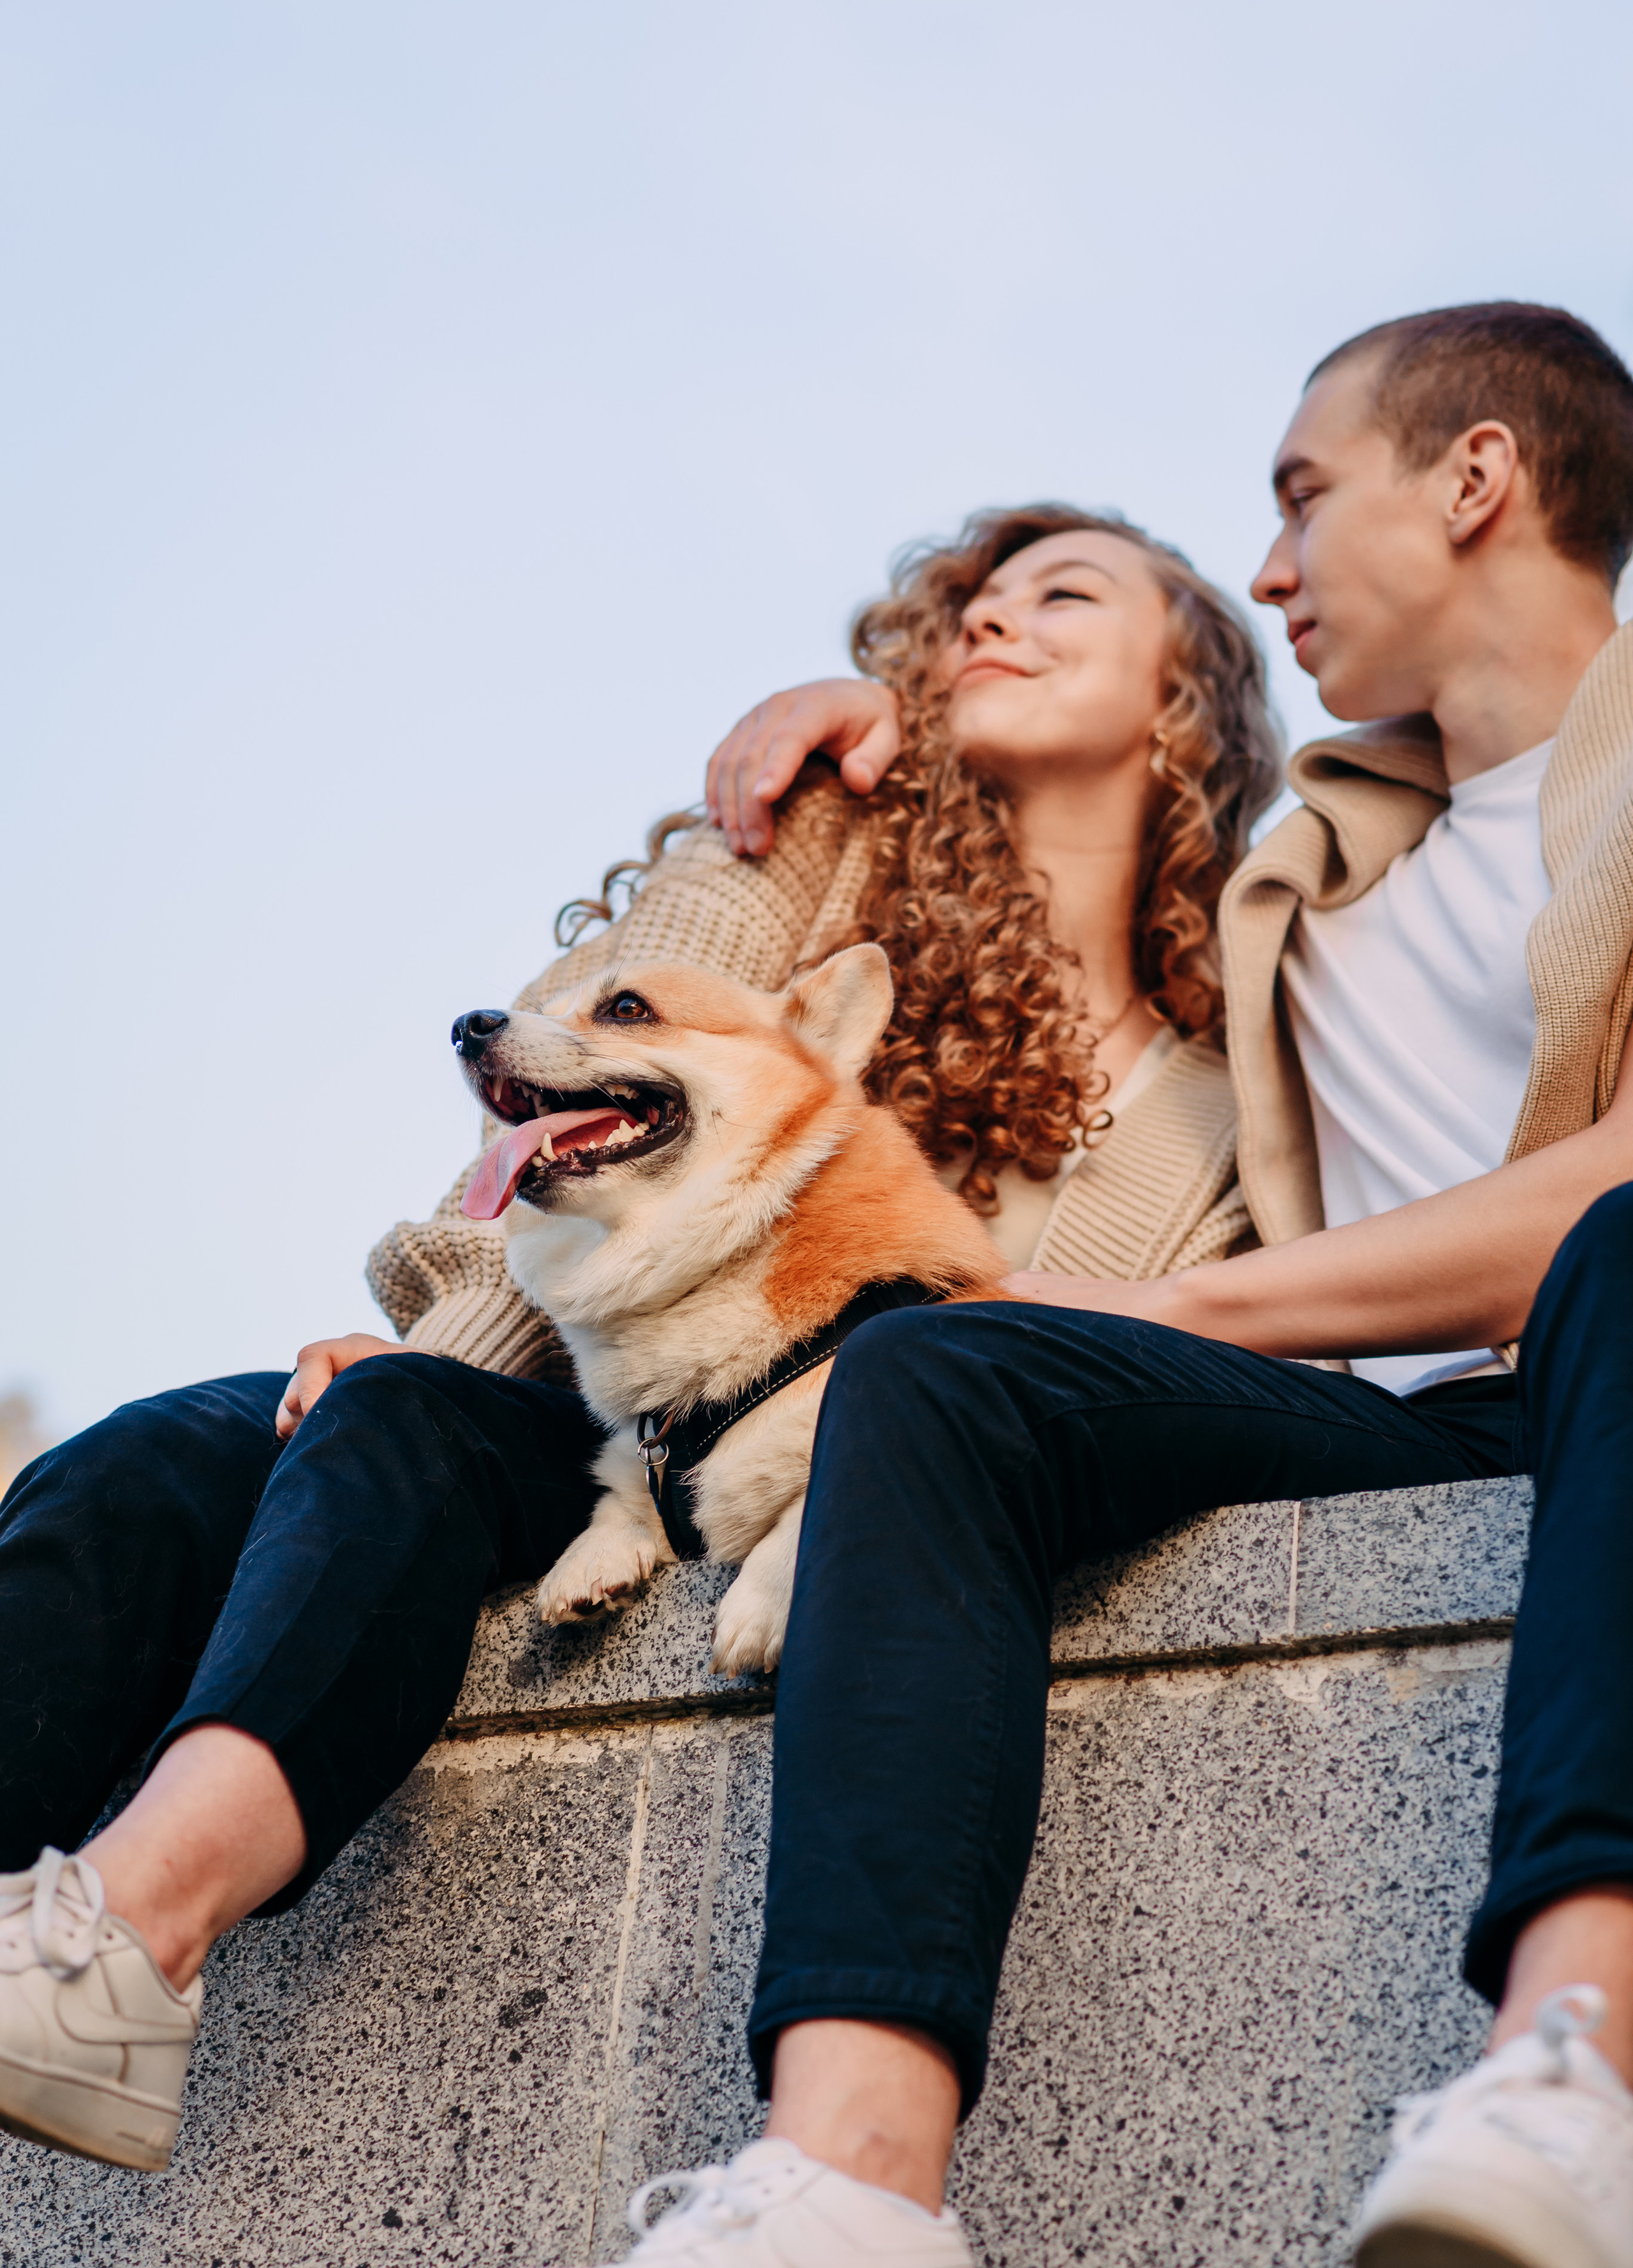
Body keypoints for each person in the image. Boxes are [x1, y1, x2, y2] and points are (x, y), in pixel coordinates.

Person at [458, 302, 1633, 2268]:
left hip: (1600, 1351)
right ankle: (850, 2204)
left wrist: (1184, 1301)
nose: (1270, 566)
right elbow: (1097, 849)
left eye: (1303, 497)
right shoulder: (1310, 878)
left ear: (1477, 479)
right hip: (1404, 1418)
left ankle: (1578, 2067)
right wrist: (894, 716)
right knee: (936, 1360)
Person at [0, 508, 1276, 2180]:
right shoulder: (815, 845)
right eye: (972, 599)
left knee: (391, 1430)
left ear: (1191, 699)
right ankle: (76, 1949)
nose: (990, 621)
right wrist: (448, 1355)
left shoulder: (1242, 1079)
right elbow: (555, 1104)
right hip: (606, 1421)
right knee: (167, 1458)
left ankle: (126, 1938)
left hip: (887, 1513)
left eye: (1066, 593)